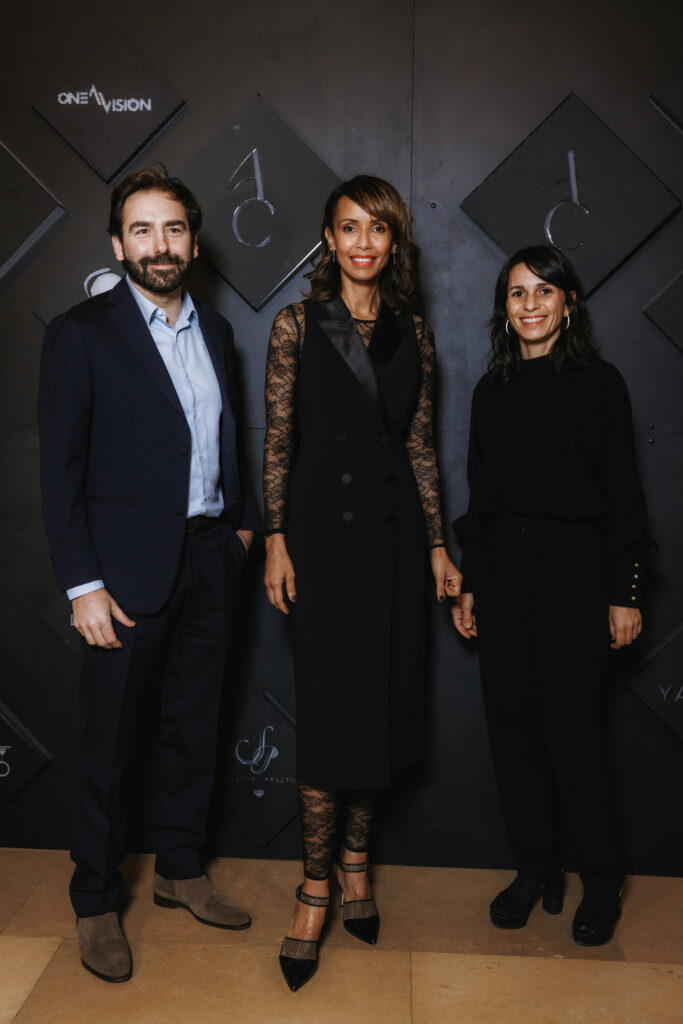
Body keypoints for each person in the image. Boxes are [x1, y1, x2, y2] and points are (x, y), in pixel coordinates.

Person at [38, 166, 261, 983]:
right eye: (142, 230)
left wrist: (240, 532)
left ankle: (180, 870)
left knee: (193, 730)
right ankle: (95, 901)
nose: (158, 245)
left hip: (210, 559)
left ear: (192, 243)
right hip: (123, 574)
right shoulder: (81, 333)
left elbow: (228, 436)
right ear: (117, 244)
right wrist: (82, 586)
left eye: (172, 229)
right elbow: (60, 474)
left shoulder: (218, 332)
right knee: (109, 746)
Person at [263, 175, 461, 991]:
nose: (363, 243)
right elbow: (279, 441)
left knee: (377, 708)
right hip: (320, 544)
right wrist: (275, 539)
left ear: (392, 240)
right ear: (328, 238)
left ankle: (354, 865)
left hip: (393, 545)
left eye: (377, 229)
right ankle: (314, 889)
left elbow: (419, 447)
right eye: (348, 228)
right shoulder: (296, 324)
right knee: (329, 713)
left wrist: (437, 546)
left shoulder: (415, 331)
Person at [452, 244, 648, 947]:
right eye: (517, 293)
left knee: (576, 736)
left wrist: (624, 592)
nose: (530, 304)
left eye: (543, 291)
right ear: (503, 310)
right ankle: (535, 867)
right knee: (514, 733)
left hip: (576, 575)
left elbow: (624, 496)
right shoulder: (490, 391)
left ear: (567, 304)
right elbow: (481, 501)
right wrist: (471, 585)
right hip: (503, 575)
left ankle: (601, 879)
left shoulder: (600, 384)